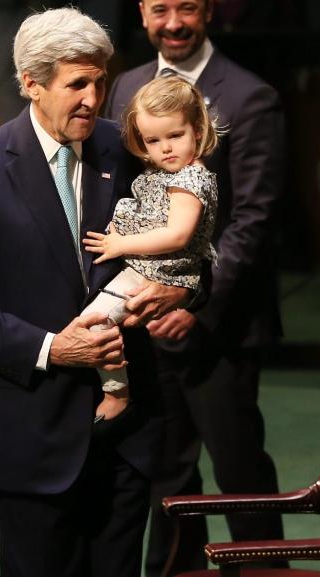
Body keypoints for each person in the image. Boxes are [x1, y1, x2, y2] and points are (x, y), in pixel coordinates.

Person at [0, 8, 192, 577]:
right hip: (33, 434)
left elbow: (192, 243)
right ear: (31, 84)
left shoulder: (127, 149)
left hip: (127, 435)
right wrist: (52, 348)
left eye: (101, 81)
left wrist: (184, 294)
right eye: (77, 84)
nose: (94, 99)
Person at [103, 1, 285, 574]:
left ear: (208, 10)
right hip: (147, 322)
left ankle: (264, 575)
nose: (174, 21)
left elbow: (254, 217)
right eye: (161, 8)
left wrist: (196, 300)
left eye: (186, 6)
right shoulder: (126, 87)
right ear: (143, 13)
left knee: (240, 471)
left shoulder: (252, 96)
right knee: (166, 473)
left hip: (220, 326)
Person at [82, 76, 218, 423]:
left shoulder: (190, 178)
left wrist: (119, 243)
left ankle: (116, 391)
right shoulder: (164, 172)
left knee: (92, 323)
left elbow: (176, 236)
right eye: (153, 141)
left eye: (175, 136)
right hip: (143, 269)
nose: (166, 148)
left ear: (198, 131)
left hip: (157, 274)